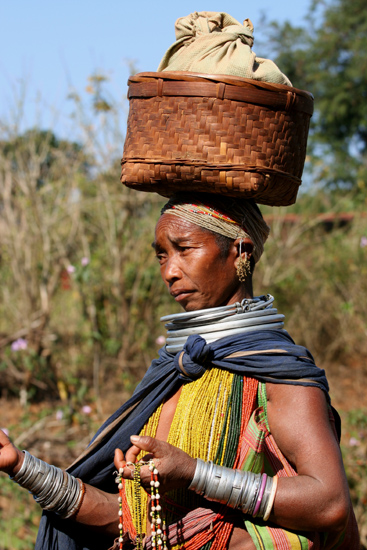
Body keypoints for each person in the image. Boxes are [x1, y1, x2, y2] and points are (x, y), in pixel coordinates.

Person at [0, 193, 359, 550]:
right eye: (161, 255)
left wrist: (194, 474)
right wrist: (21, 466)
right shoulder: (173, 372)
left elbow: (329, 503)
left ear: (242, 251)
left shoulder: (276, 373)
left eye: (184, 248)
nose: (169, 272)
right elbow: (139, 524)